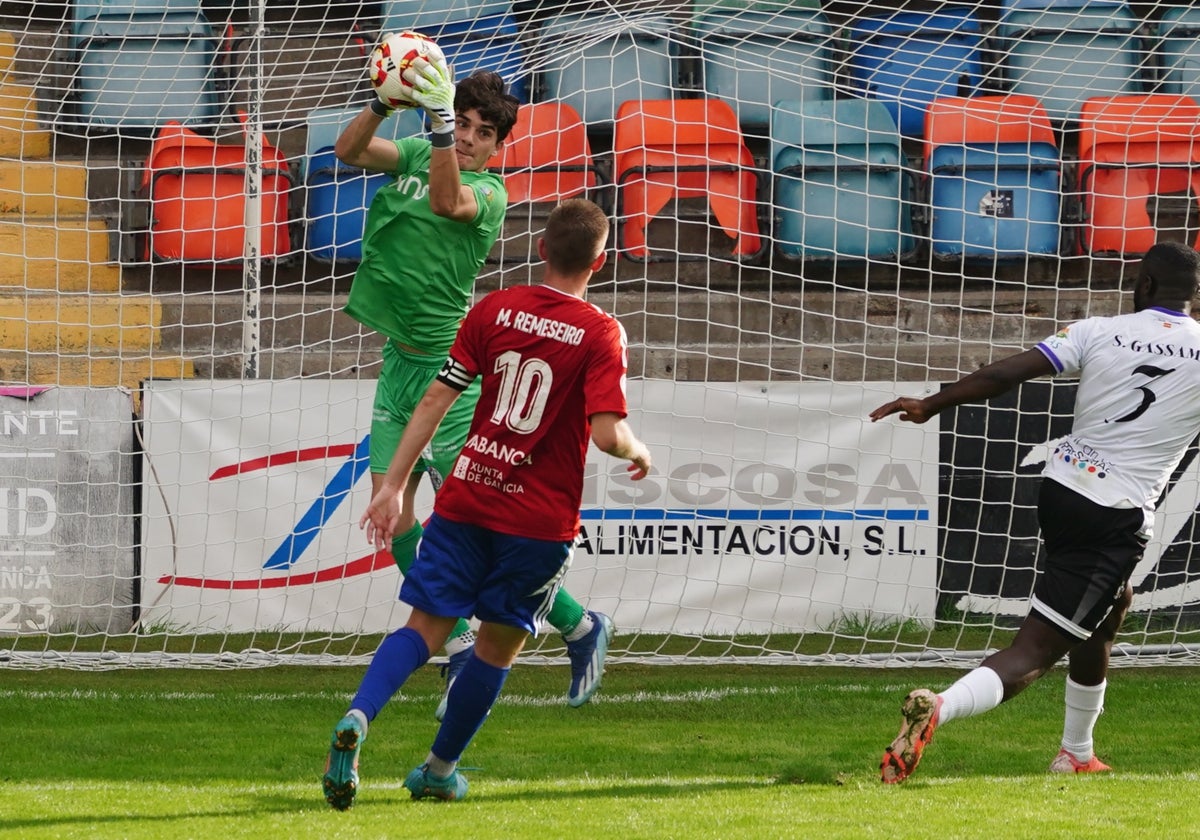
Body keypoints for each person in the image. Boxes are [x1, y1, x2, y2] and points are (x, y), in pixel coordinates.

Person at [322, 198, 652, 807]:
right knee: (497, 648)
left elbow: (433, 402)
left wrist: (394, 484)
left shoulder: (495, 308)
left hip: (468, 496)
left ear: (541, 249)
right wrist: (639, 449)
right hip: (536, 521)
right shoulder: (603, 332)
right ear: (601, 262)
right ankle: (440, 769)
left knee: (423, 627)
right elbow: (607, 435)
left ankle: (359, 718)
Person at [336, 47, 616, 718]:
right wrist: (383, 99)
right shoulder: (416, 152)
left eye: (480, 132)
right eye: (460, 123)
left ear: (496, 146)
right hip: (398, 366)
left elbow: (443, 197)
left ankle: (579, 626)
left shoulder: (488, 193)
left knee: (491, 527)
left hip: (453, 376)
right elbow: (349, 153)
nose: (465, 136)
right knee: (392, 515)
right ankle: (461, 641)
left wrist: (431, 128)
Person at [870, 241, 1200, 783]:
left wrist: (932, 403)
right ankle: (941, 707)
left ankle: (1077, 752)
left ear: (1142, 285)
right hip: (1116, 511)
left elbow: (1008, 374)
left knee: (1109, 609)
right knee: (1039, 647)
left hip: (1062, 487)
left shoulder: (1098, 330)